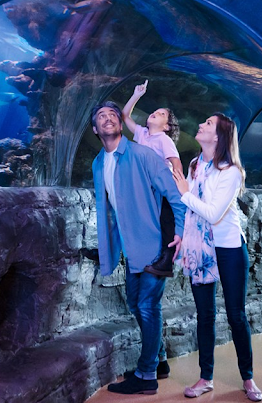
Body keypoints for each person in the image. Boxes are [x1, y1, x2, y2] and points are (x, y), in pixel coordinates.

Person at [91, 101, 186, 396]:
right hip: (131, 248)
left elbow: (175, 195)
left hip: (155, 244)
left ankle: (146, 377)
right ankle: (158, 362)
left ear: (121, 123)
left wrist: (181, 233)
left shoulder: (143, 154)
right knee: (136, 304)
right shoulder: (98, 162)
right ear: (96, 129)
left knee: (146, 306)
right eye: (101, 117)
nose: (108, 118)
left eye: (112, 115)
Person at [173, 113, 262, 401]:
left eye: (208, 124)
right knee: (205, 315)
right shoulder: (195, 165)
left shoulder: (231, 171)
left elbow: (212, 213)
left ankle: (248, 378)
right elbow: (189, 210)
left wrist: (186, 192)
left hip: (229, 248)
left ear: (219, 136)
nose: (200, 124)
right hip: (201, 248)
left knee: (236, 315)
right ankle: (205, 377)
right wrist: (183, 239)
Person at [122, 79, 182, 277]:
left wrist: (178, 182)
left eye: (162, 114)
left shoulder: (163, 139)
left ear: (167, 126)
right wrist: (136, 95)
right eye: (155, 111)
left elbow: (175, 160)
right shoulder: (142, 133)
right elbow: (124, 116)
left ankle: (166, 259)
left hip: (159, 185)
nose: (155, 113)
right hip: (141, 185)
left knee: (166, 219)